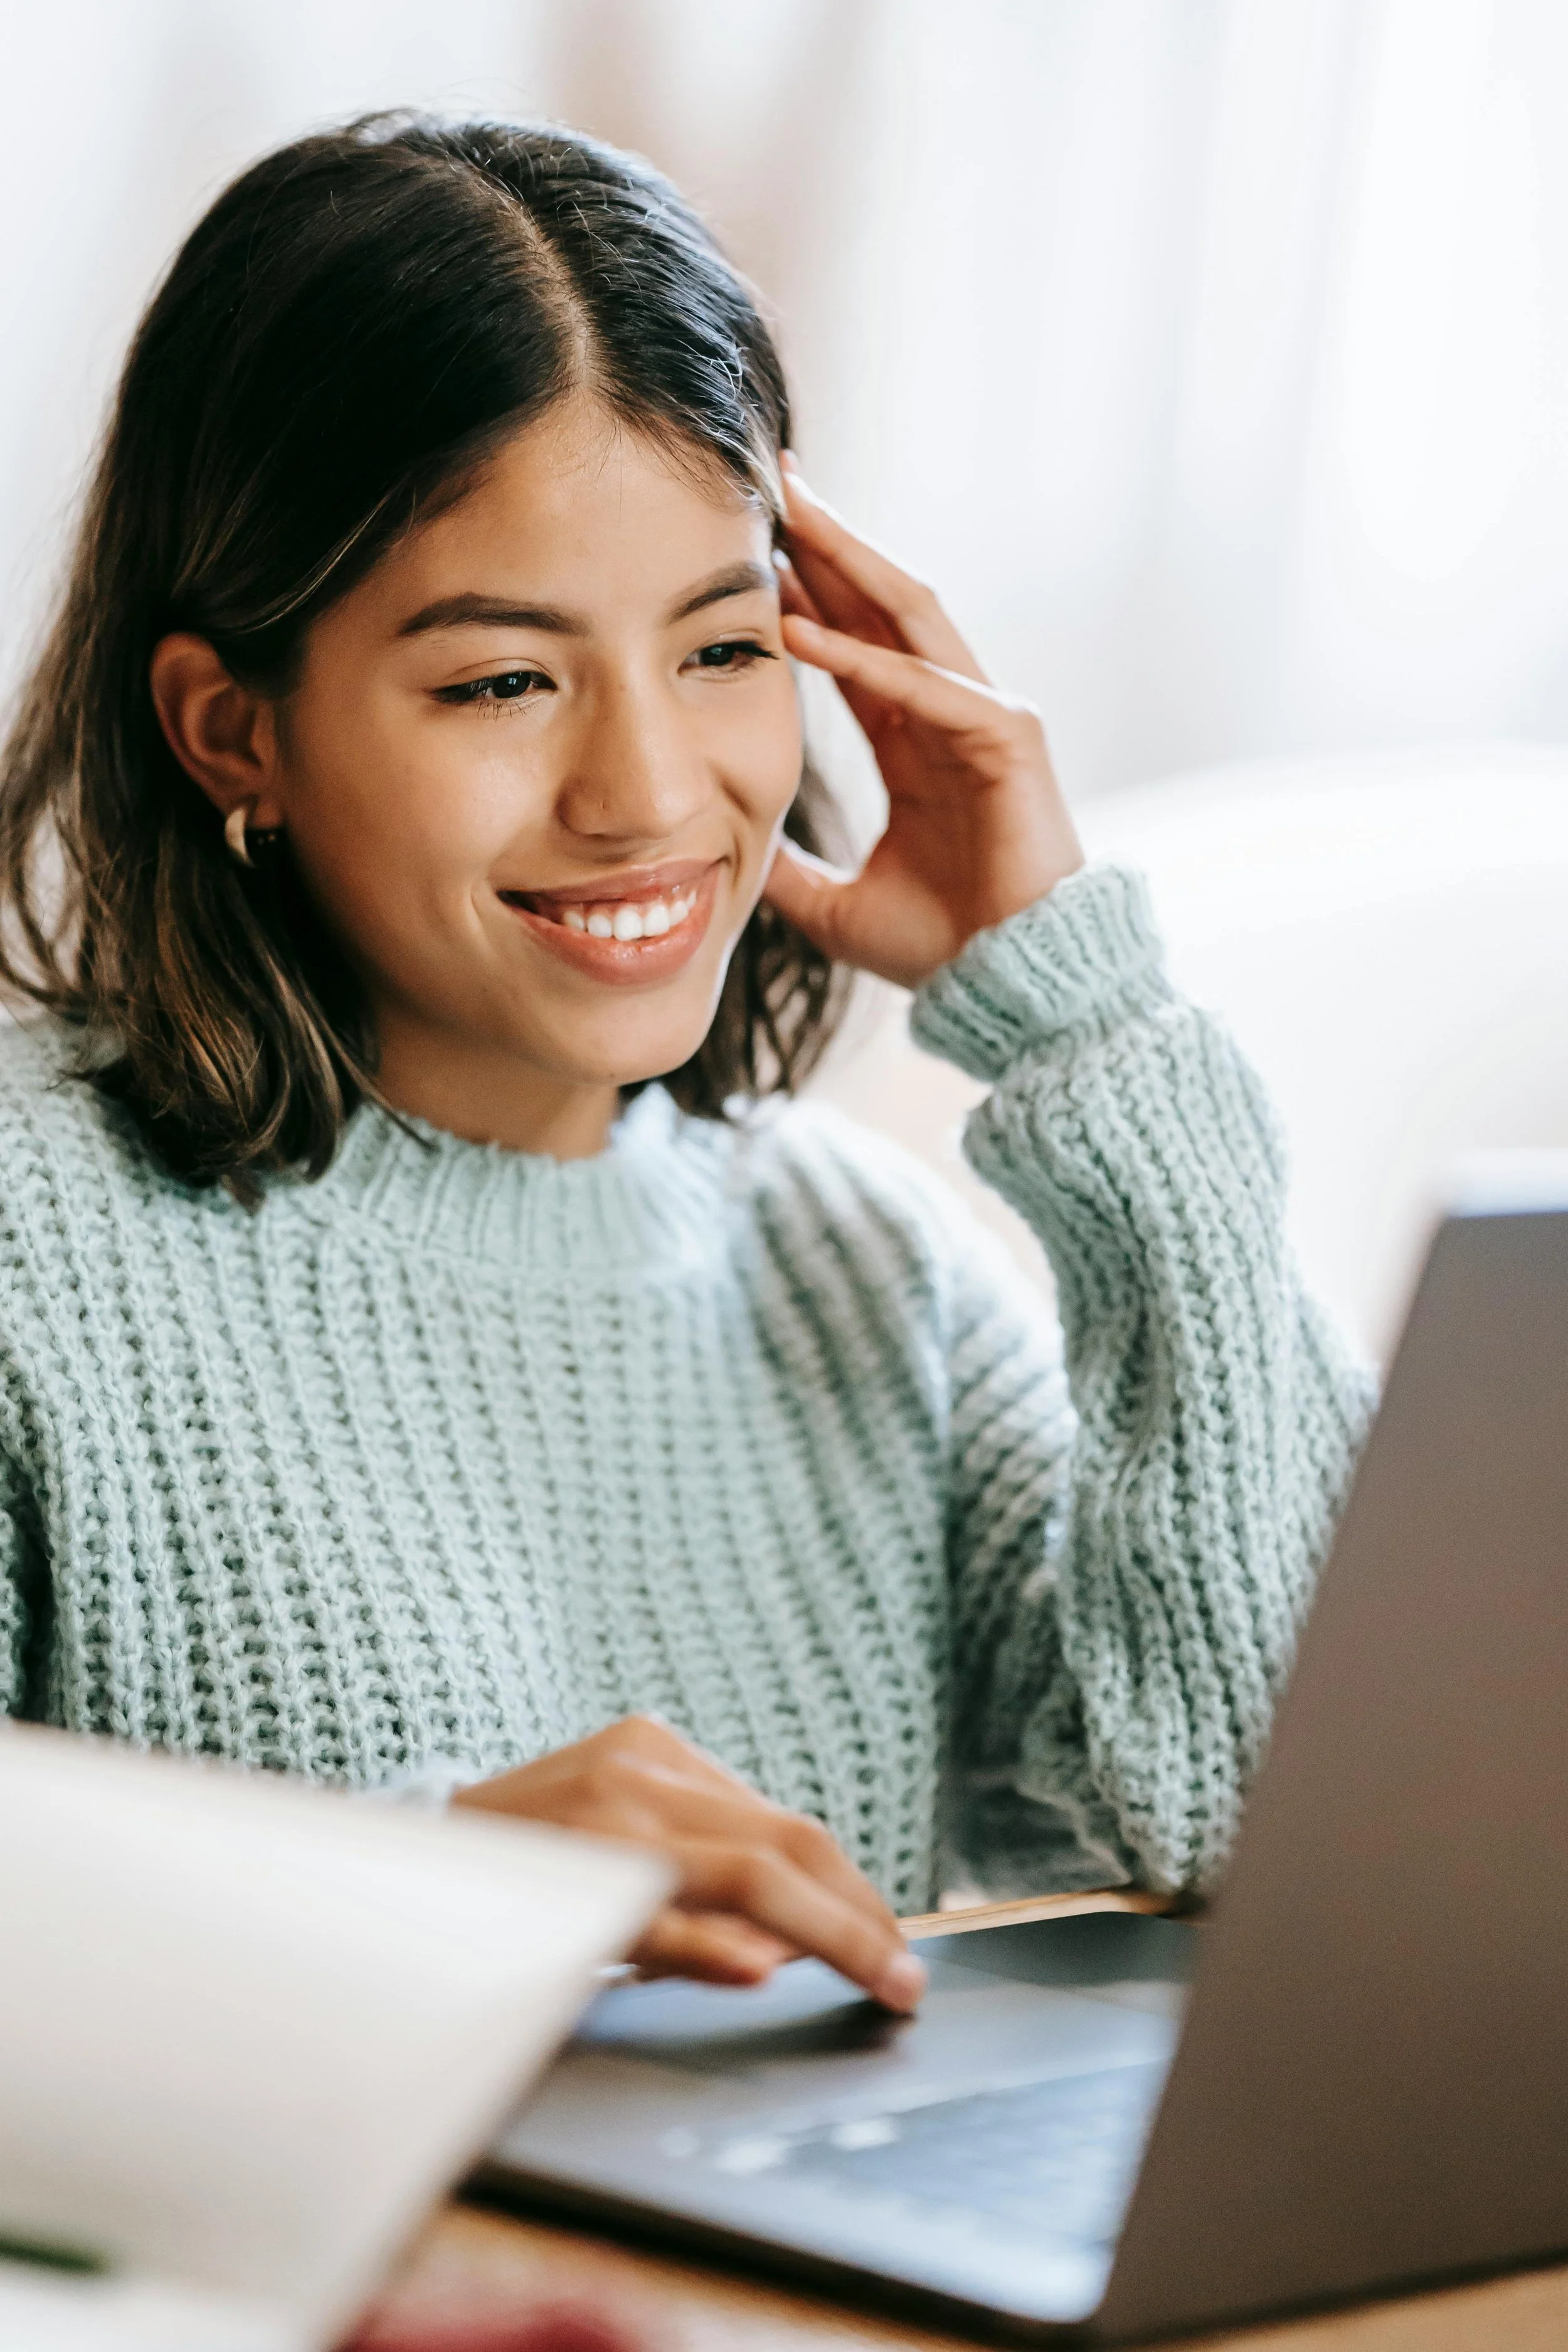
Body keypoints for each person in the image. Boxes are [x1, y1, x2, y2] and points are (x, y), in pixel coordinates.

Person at [0, 114, 1371, 2016]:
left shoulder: (872, 1285)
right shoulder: (30, 1244)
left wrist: (1088, 1022)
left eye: (724, 649)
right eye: (500, 679)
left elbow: (1286, 1856)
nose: (647, 794)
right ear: (233, 730)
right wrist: (413, 1896)